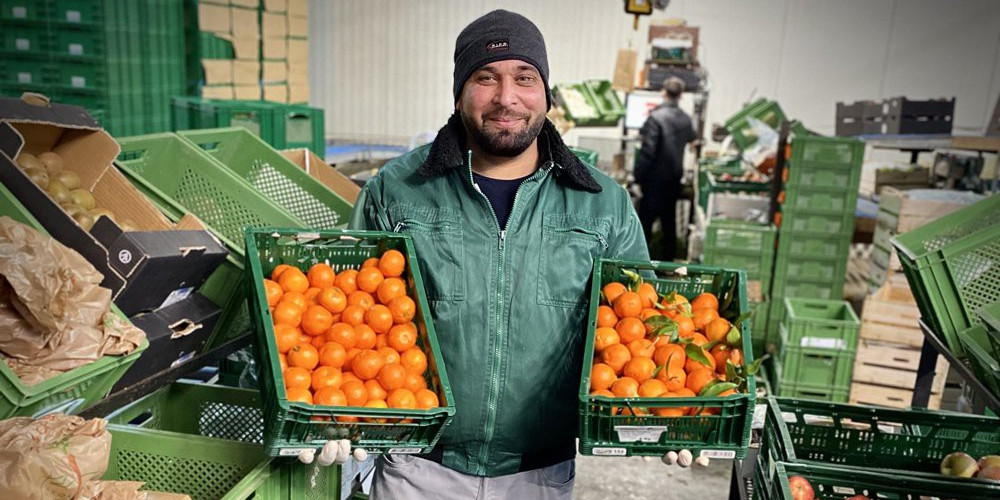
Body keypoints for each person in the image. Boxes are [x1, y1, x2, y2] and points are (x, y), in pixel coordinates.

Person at [348, 9, 650, 499]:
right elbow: (350, 310)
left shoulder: (602, 203)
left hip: (540, 473)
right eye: (486, 77)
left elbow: (644, 337)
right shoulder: (396, 190)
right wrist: (334, 419)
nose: (506, 98)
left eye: (524, 78)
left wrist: (667, 422)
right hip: (416, 467)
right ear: (460, 91)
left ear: (546, 94)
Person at [633, 77, 698, 261]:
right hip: (673, 181)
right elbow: (693, 139)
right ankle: (669, 268)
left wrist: (637, 178)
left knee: (644, 227)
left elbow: (648, 152)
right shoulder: (685, 119)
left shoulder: (656, 118)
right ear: (680, 95)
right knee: (669, 226)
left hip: (654, 182)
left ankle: (640, 265)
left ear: (664, 92)